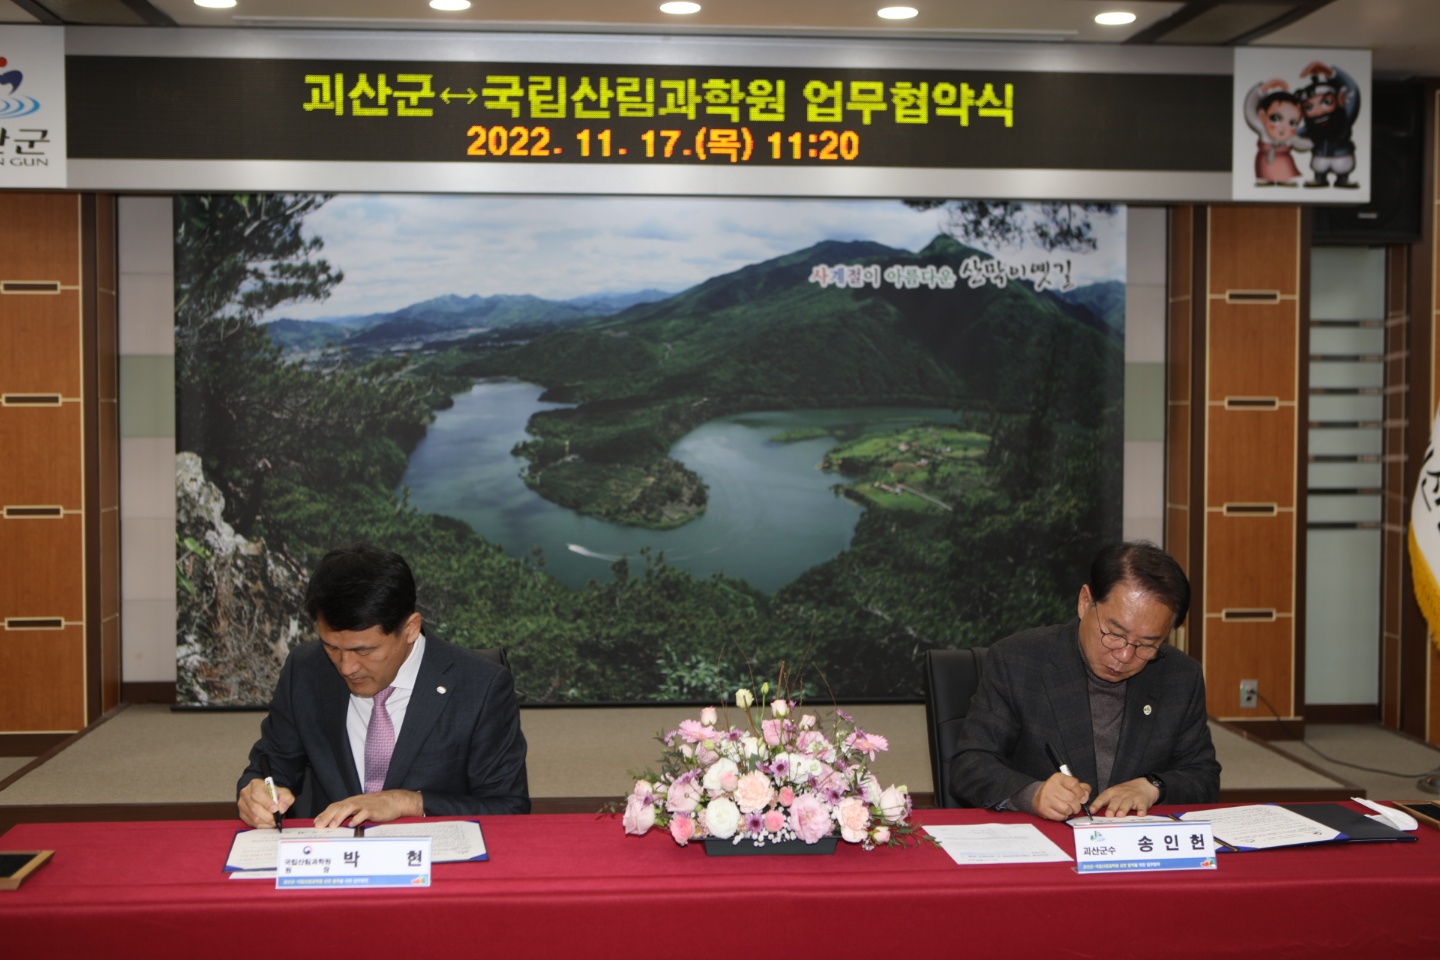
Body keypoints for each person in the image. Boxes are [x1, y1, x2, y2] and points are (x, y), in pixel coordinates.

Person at [237, 545, 530, 828]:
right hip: (333, 861)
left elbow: (507, 806)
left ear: (411, 628)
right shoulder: (306, 670)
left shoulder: (480, 686)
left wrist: (409, 802)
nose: (345, 667)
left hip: (435, 863)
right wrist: (257, 793)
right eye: (331, 647)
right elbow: (270, 766)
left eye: (364, 651)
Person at [950, 541, 1220, 820]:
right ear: (1084, 602)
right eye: (1114, 633)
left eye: (1146, 645)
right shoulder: (1018, 660)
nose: (1125, 655)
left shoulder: (1180, 675)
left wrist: (1153, 787)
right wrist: (1033, 794)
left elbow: (1203, 776)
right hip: (1044, 842)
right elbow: (970, 764)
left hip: (1133, 850)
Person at [1243, 78, 1310, 186]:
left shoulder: (1290, 138)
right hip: (1265, 161)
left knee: (1285, 170)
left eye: (1292, 122)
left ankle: (1285, 179)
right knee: (1265, 172)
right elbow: (1250, 108)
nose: (1283, 128)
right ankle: (1265, 179)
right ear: (1262, 116)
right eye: (1276, 118)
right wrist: (1263, 88)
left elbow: (1302, 144)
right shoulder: (1263, 129)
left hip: (1284, 162)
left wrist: (1317, 140)